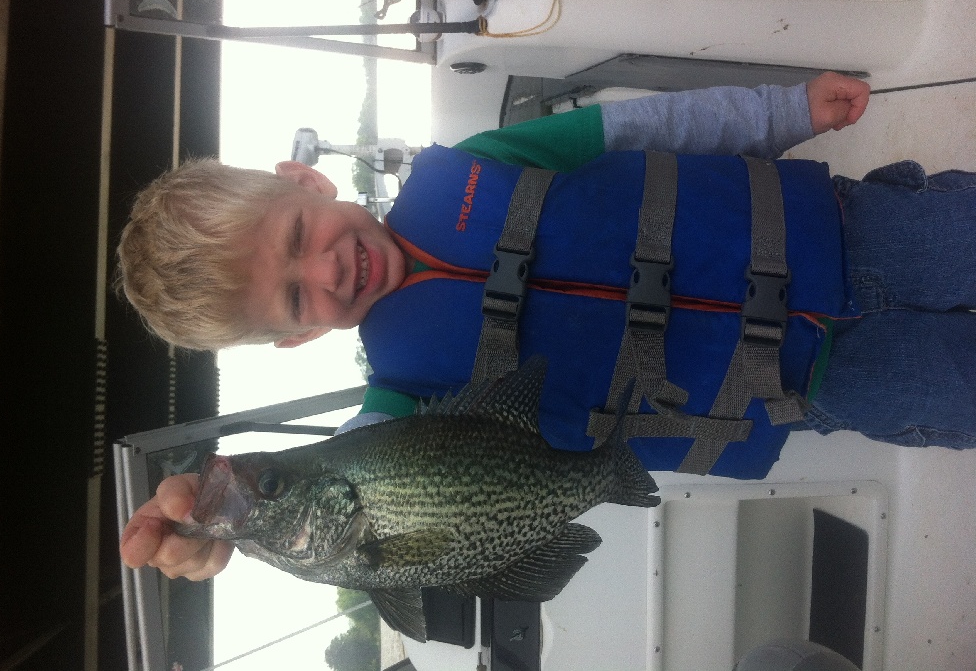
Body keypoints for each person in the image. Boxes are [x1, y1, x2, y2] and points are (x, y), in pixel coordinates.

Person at [117, 72, 975, 581]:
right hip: (819, 384)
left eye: (299, 241)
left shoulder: (480, 164)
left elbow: (649, 126)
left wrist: (784, 109)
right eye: (296, 299)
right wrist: (205, 518)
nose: (328, 270)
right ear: (298, 339)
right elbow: (321, 485)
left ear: (307, 184)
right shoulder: (401, 406)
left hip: (852, 230)